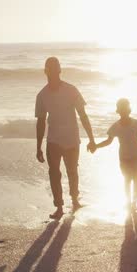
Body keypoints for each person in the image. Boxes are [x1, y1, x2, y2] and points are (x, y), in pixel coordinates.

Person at [35, 57, 96, 219]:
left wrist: (91, 138)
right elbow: (40, 122)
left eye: (55, 68)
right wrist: (38, 147)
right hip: (53, 140)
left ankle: (75, 199)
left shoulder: (71, 90)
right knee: (54, 173)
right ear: (45, 71)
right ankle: (59, 207)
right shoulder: (42, 95)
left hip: (71, 139)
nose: (53, 71)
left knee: (72, 171)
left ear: (60, 70)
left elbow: (83, 115)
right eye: (50, 68)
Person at [91, 98, 137, 210]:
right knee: (127, 180)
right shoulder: (115, 126)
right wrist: (96, 146)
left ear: (128, 110)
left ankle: (134, 203)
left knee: (136, 179)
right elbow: (108, 141)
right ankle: (128, 203)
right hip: (124, 158)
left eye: (125, 108)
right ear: (118, 111)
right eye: (121, 109)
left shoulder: (136, 123)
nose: (123, 111)